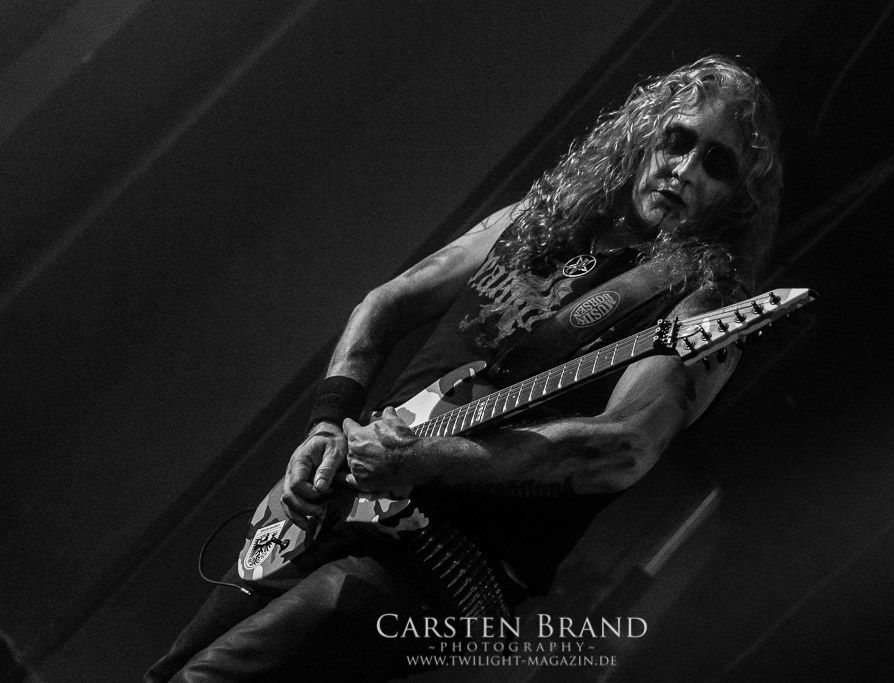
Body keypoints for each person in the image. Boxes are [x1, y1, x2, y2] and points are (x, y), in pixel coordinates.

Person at [147, 54, 782, 681]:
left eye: (717, 163)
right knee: (171, 670)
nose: (684, 169)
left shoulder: (700, 301)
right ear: (644, 136)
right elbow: (385, 304)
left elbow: (622, 449)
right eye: (677, 139)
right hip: (349, 487)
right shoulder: (545, 218)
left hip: (448, 564)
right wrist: (327, 422)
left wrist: (431, 461)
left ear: (737, 199)